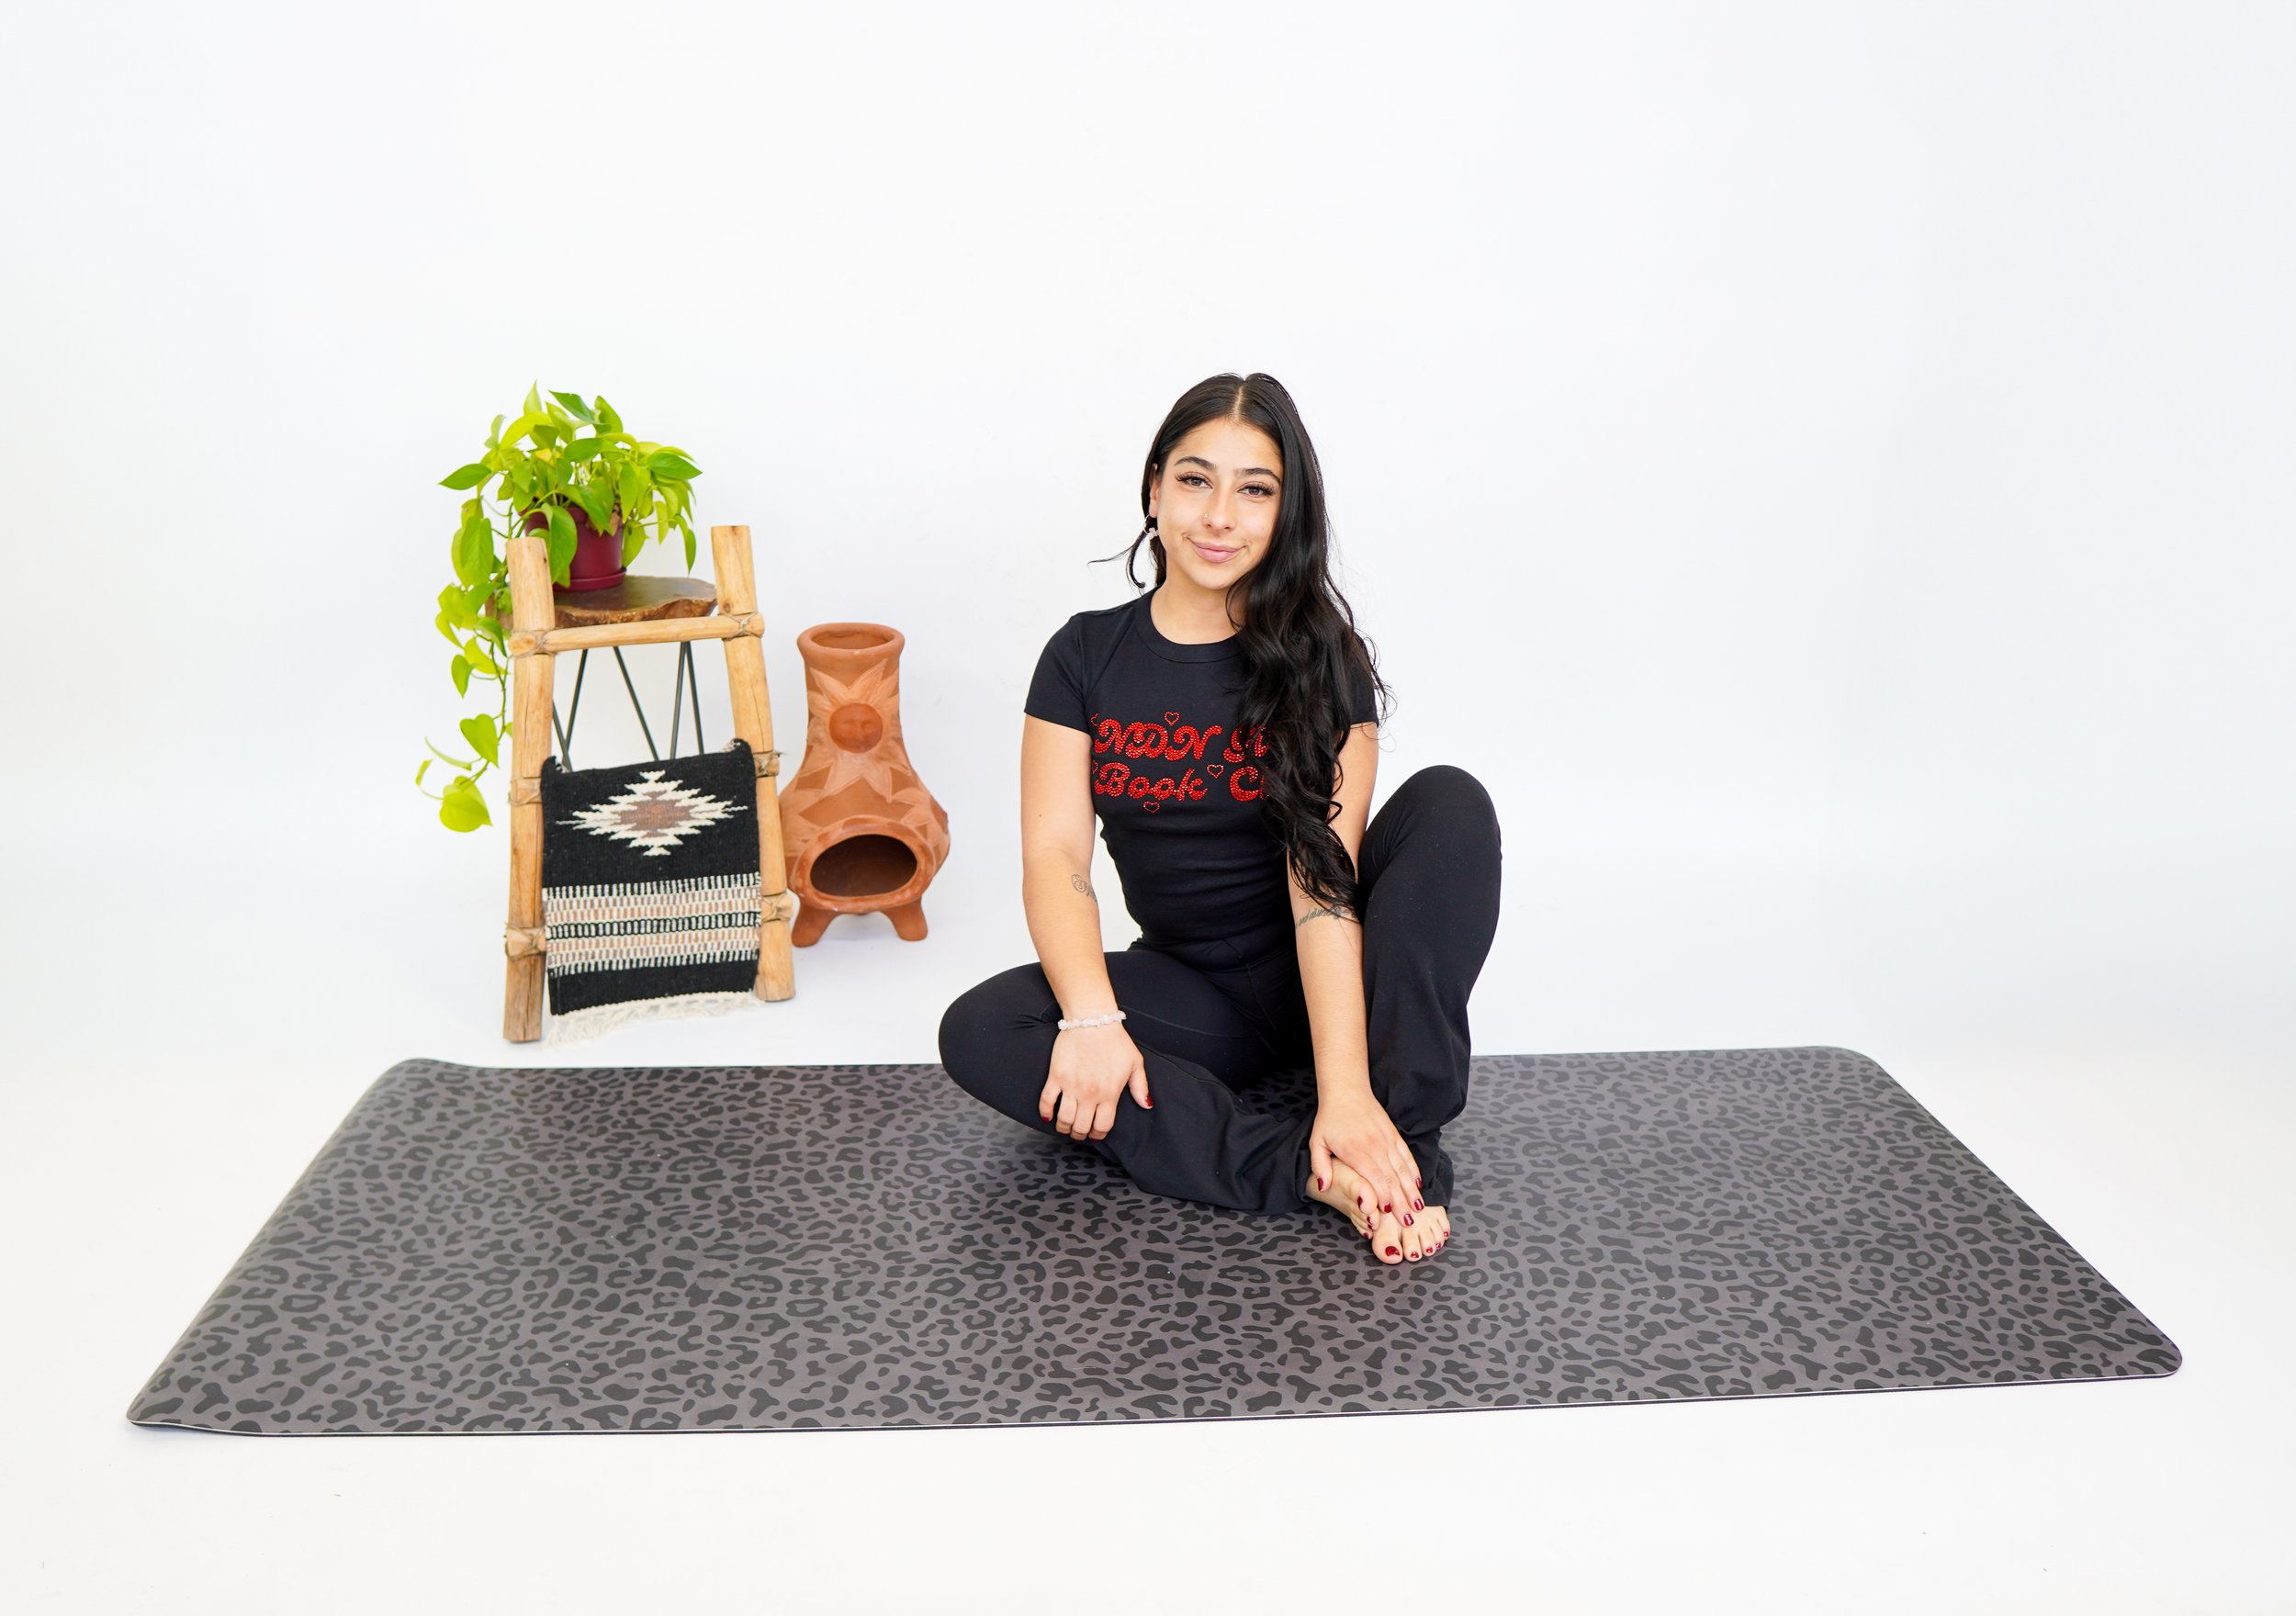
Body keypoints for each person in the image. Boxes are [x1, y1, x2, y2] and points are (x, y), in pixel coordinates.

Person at [937, 373, 1503, 1266]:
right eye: (1196, 479)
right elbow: (1056, 859)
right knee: (982, 1029)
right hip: (1196, 996)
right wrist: (1092, 1020)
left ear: (1285, 512)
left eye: (1255, 489)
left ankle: (1395, 1130)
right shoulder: (1084, 655)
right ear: (1155, 486)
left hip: (1337, 964)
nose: (1219, 515)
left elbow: (1322, 883)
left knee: (1451, 802)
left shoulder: (1322, 658)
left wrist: (1345, 1088)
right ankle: (1311, 1170)